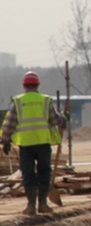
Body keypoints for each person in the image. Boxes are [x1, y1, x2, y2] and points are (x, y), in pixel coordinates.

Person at [2, 72, 67, 217]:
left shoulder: (18, 101)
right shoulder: (45, 100)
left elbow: (9, 123)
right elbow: (54, 120)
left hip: (26, 144)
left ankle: (31, 206)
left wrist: (5, 140)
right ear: (38, 85)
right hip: (43, 143)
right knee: (44, 171)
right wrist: (64, 119)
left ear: (24, 85)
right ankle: (43, 204)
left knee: (28, 173)